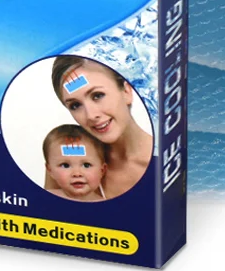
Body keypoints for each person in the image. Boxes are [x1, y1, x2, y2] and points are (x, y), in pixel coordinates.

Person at [50, 56, 152, 199]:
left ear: (127, 91)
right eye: (75, 105)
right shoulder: (64, 159)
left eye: (97, 95)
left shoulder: (164, 163)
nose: (91, 115)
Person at [42, 124, 107, 202]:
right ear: (50, 170)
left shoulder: (106, 205)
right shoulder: (46, 199)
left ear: (102, 170)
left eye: (86, 165)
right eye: (65, 165)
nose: (77, 174)